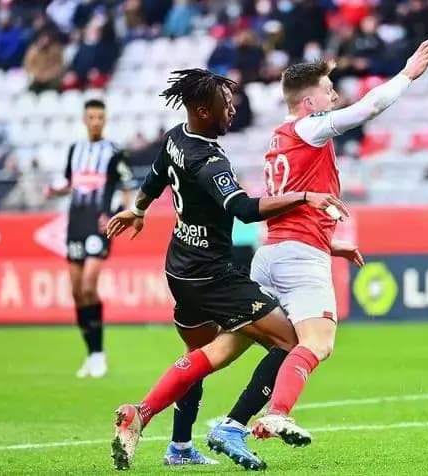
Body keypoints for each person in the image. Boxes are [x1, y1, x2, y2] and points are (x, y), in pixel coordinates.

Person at [207, 39, 428, 462]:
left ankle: (203, 424)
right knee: (318, 342)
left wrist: (331, 243)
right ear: (309, 101)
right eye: (329, 91)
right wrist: (408, 73)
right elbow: (368, 108)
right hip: (298, 259)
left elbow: (287, 208)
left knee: (239, 348)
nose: (334, 98)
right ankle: (277, 413)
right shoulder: (310, 127)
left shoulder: (278, 137)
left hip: (272, 252)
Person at [106, 69, 349, 471]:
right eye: (226, 104)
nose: (233, 109)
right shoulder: (209, 160)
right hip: (213, 276)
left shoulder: (175, 137)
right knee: (289, 341)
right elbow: (243, 209)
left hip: (180, 269)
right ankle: (233, 426)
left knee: (203, 356)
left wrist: (138, 209)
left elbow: (155, 175)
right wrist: (305, 196)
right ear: (204, 111)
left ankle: (168, 437)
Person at [44, 99, 134, 379]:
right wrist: (54, 191)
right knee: (76, 292)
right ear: (85, 120)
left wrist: (116, 215)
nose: (95, 121)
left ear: (105, 120)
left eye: (100, 117)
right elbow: (70, 183)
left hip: (99, 226)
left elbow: (127, 187)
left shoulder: (115, 151)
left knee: (88, 286)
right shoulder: (75, 149)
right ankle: (92, 352)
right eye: (91, 117)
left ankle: (98, 354)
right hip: (76, 224)